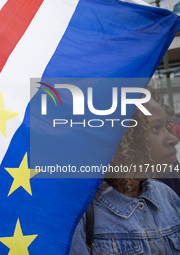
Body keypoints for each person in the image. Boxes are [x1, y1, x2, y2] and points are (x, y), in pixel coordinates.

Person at [69, 88, 180, 254]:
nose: (173, 139)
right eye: (156, 128)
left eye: (166, 126)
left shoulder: (167, 196)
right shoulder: (81, 214)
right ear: (125, 138)